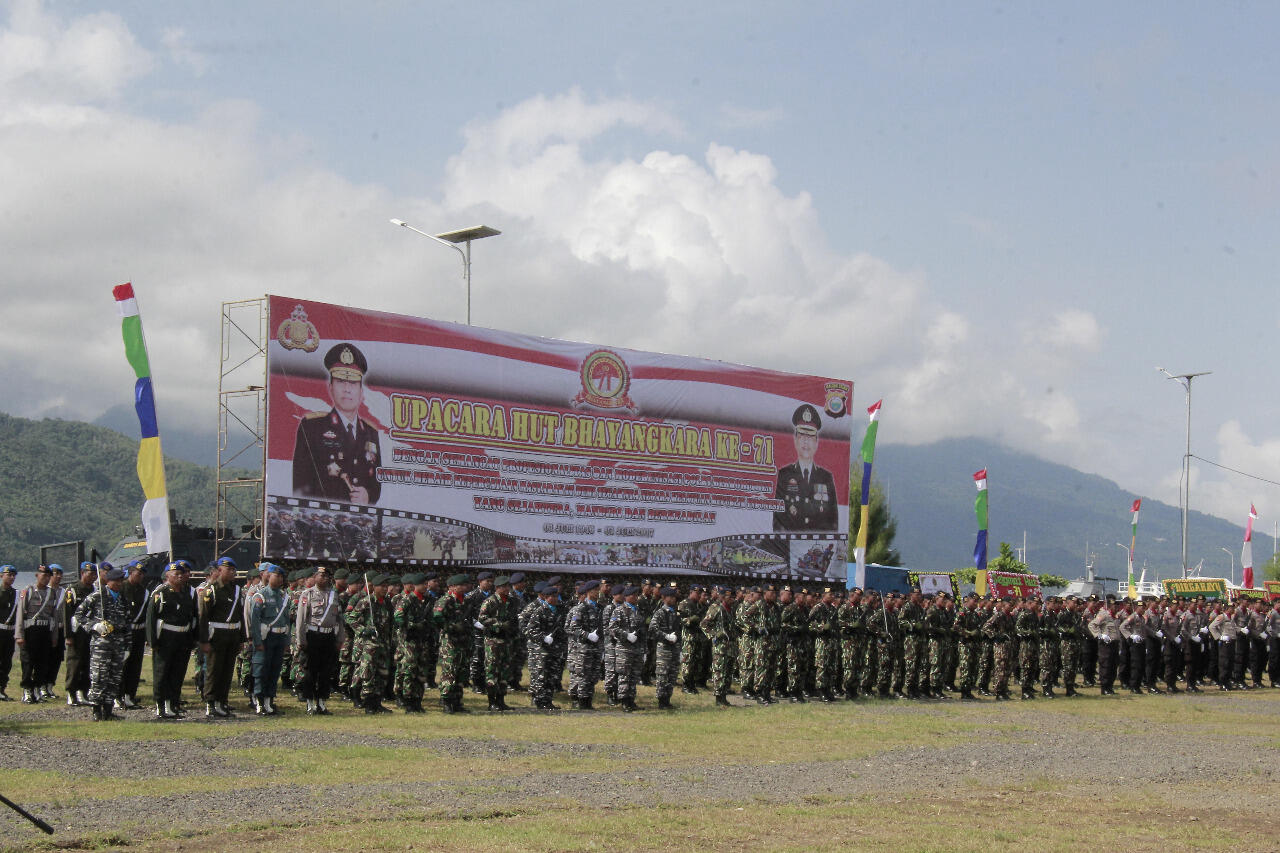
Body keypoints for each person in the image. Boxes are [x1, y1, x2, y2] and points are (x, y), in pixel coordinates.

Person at [291, 342, 383, 505]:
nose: (347, 389)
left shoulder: (371, 433)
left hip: (360, 523)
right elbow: (301, 487)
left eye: (353, 383)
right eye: (341, 381)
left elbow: (376, 484)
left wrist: (368, 496)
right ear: (331, 387)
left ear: (361, 392)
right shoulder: (312, 427)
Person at [73, 565, 131, 721]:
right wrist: (93, 625)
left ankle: (108, 710)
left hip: (118, 643)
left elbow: (127, 624)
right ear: (108, 581)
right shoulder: (97, 596)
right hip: (102, 642)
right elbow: (79, 614)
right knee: (99, 676)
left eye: (121, 580)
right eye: (117, 580)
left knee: (114, 677)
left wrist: (128, 646)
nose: (119, 583)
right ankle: (96, 710)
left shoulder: (123, 599)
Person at [773, 404, 838, 531]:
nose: (806, 442)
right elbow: (777, 520)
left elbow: (833, 522)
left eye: (810, 437)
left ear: (816, 442)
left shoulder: (825, 477)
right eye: (802, 436)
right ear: (795, 440)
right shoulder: (785, 475)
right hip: (789, 546)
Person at [146, 561, 197, 719]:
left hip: (182, 638)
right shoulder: (160, 593)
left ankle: (173, 703)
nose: (180, 576)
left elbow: (193, 617)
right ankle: (161, 705)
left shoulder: (186, 593)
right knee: (162, 672)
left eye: (181, 574)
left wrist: (192, 639)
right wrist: (153, 641)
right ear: (167, 576)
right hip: (166, 637)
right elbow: (151, 619)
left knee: (177, 672)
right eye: (176, 574)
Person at [198, 557, 245, 718]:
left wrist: (242, 639)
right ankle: (211, 703)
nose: (232, 573)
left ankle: (222, 702)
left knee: (227, 671)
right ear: (219, 571)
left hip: (232, 635)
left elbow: (241, 616)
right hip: (216, 635)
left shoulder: (236, 590)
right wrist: (204, 641)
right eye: (228, 569)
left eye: (234, 570)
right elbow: (203, 617)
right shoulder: (211, 590)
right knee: (214, 670)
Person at [296, 565, 346, 715]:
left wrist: (340, 638)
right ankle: (310, 703)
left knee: (326, 671)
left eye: (326, 576)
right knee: (311, 671)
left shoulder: (334, 595)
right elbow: (301, 619)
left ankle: (322, 702)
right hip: (313, 636)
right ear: (314, 577)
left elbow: (339, 619)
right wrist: (301, 639)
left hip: (328, 636)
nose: (324, 578)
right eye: (320, 576)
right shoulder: (308, 594)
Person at [247, 563, 291, 715]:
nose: (279, 579)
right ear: (268, 576)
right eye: (276, 576)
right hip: (266, 638)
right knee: (261, 670)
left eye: (281, 576)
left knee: (275, 669)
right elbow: (255, 621)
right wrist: (257, 641)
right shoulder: (260, 596)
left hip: (279, 637)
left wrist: (287, 642)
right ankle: (259, 703)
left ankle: (269, 702)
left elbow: (287, 621)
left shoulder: (284, 597)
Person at [15, 564, 57, 704]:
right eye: (43, 575)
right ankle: (27, 690)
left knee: (42, 662)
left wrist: (54, 636)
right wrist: (19, 635)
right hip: (30, 631)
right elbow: (20, 613)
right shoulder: (28, 591)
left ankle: (37, 689)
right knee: (28, 662)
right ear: (37, 575)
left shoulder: (52, 593)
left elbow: (54, 617)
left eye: (48, 576)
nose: (45, 578)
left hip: (45, 631)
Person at [476, 575, 519, 712]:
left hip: (507, 640)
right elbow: (482, 618)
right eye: (503, 587)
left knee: (504, 671)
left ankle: (501, 700)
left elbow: (515, 618)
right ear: (497, 588)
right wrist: (499, 624)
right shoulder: (490, 601)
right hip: (493, 640)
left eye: (508, 586)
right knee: (492, 670)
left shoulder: (512, 601)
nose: (507, 589)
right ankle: (492, 701)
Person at [117, 562, 150, 710]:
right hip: (125, 631)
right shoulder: (121, 588)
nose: (140, 576)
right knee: (122, 665)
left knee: (135, 666)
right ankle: (118, 696)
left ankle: (130, 695)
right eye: (138, 573)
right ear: (130, 573)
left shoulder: (144, 591)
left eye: (142, 574)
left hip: (138, 632)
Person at [648, 586, 681, 709]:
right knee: (662, 675)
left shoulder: (675, 612)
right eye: (670, 597)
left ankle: (667, 699)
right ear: (663, 598)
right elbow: (652, 629)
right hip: (664, 648)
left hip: (674, 648)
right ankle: (661, 700)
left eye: (674, 597)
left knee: (672, 674)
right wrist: (665, 636)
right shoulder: (660, 612)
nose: (673, 599)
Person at [0, 565, 17, 701]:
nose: (11, 577)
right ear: (1, 575)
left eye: (13, 575)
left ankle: (2, 688)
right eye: (8, 575)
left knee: (7, 662)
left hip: (10, 632)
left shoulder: (16, 594)